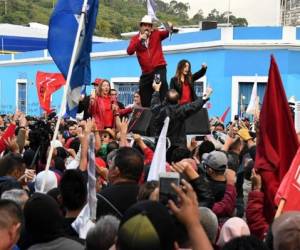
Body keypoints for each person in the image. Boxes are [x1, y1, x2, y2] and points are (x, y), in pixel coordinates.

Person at [127, 15, 172, 107]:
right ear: (141, 27)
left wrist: (169, 25)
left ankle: (166, 109)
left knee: (159, 84)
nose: (147, 27)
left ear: (151, 28)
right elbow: (129, 51)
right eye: (145, 25)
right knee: (143, 91)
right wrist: (140, 39)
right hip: (146, 72)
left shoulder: (156, 34)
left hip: (158, 69)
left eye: (149, 25)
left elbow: (167, 32)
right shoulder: (135, 39)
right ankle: (149, 113)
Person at [151, 81, 212, 146]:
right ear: (178, 101)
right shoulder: (181, 111)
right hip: (178, 146)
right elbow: (194, 106)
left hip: (160, 147)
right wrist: (205, 97)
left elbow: (154, 103)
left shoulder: (158, 110)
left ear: (165, 99)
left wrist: (156, 90)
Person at [96, 147, 144, 219]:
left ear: (116, 171)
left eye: (111, 164)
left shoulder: (101, 198)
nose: (108, 168)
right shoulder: (145, 196)